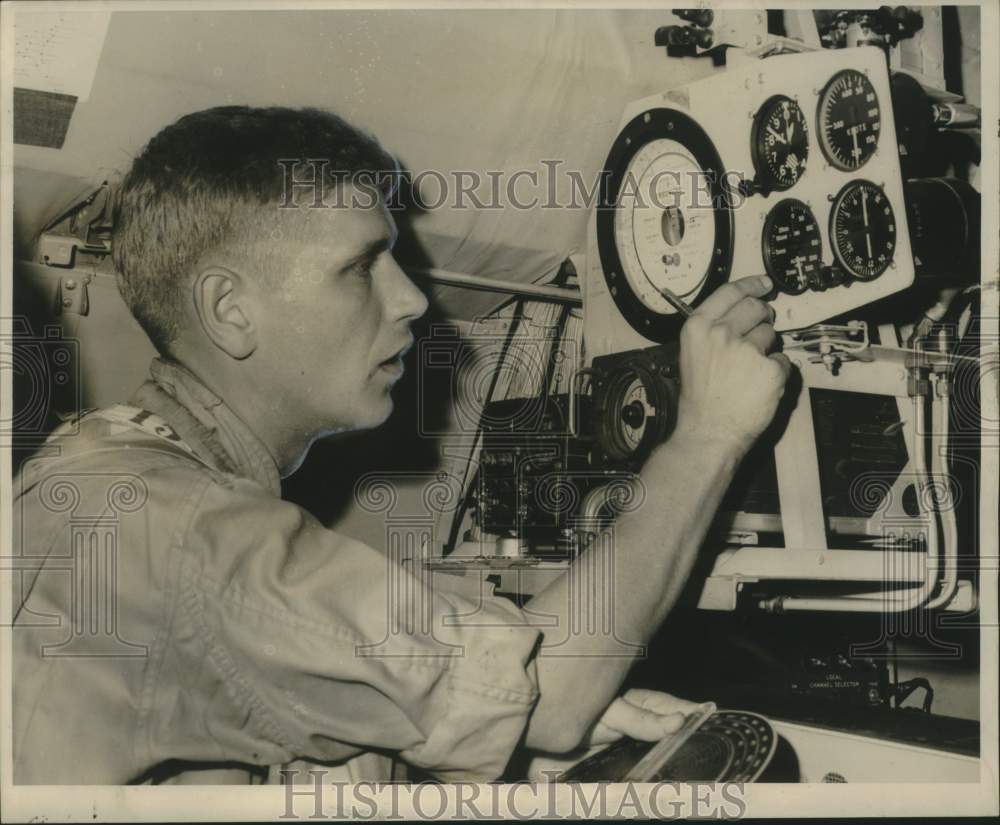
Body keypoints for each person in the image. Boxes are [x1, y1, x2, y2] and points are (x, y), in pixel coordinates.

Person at [11, 106, 790, 784]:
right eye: (360, 266)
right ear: (230, 310)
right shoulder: (178, 530)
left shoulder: (122, 476)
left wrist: (497, 744)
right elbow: (549, 696)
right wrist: (712, 432)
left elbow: (286, 721)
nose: (413, 297)